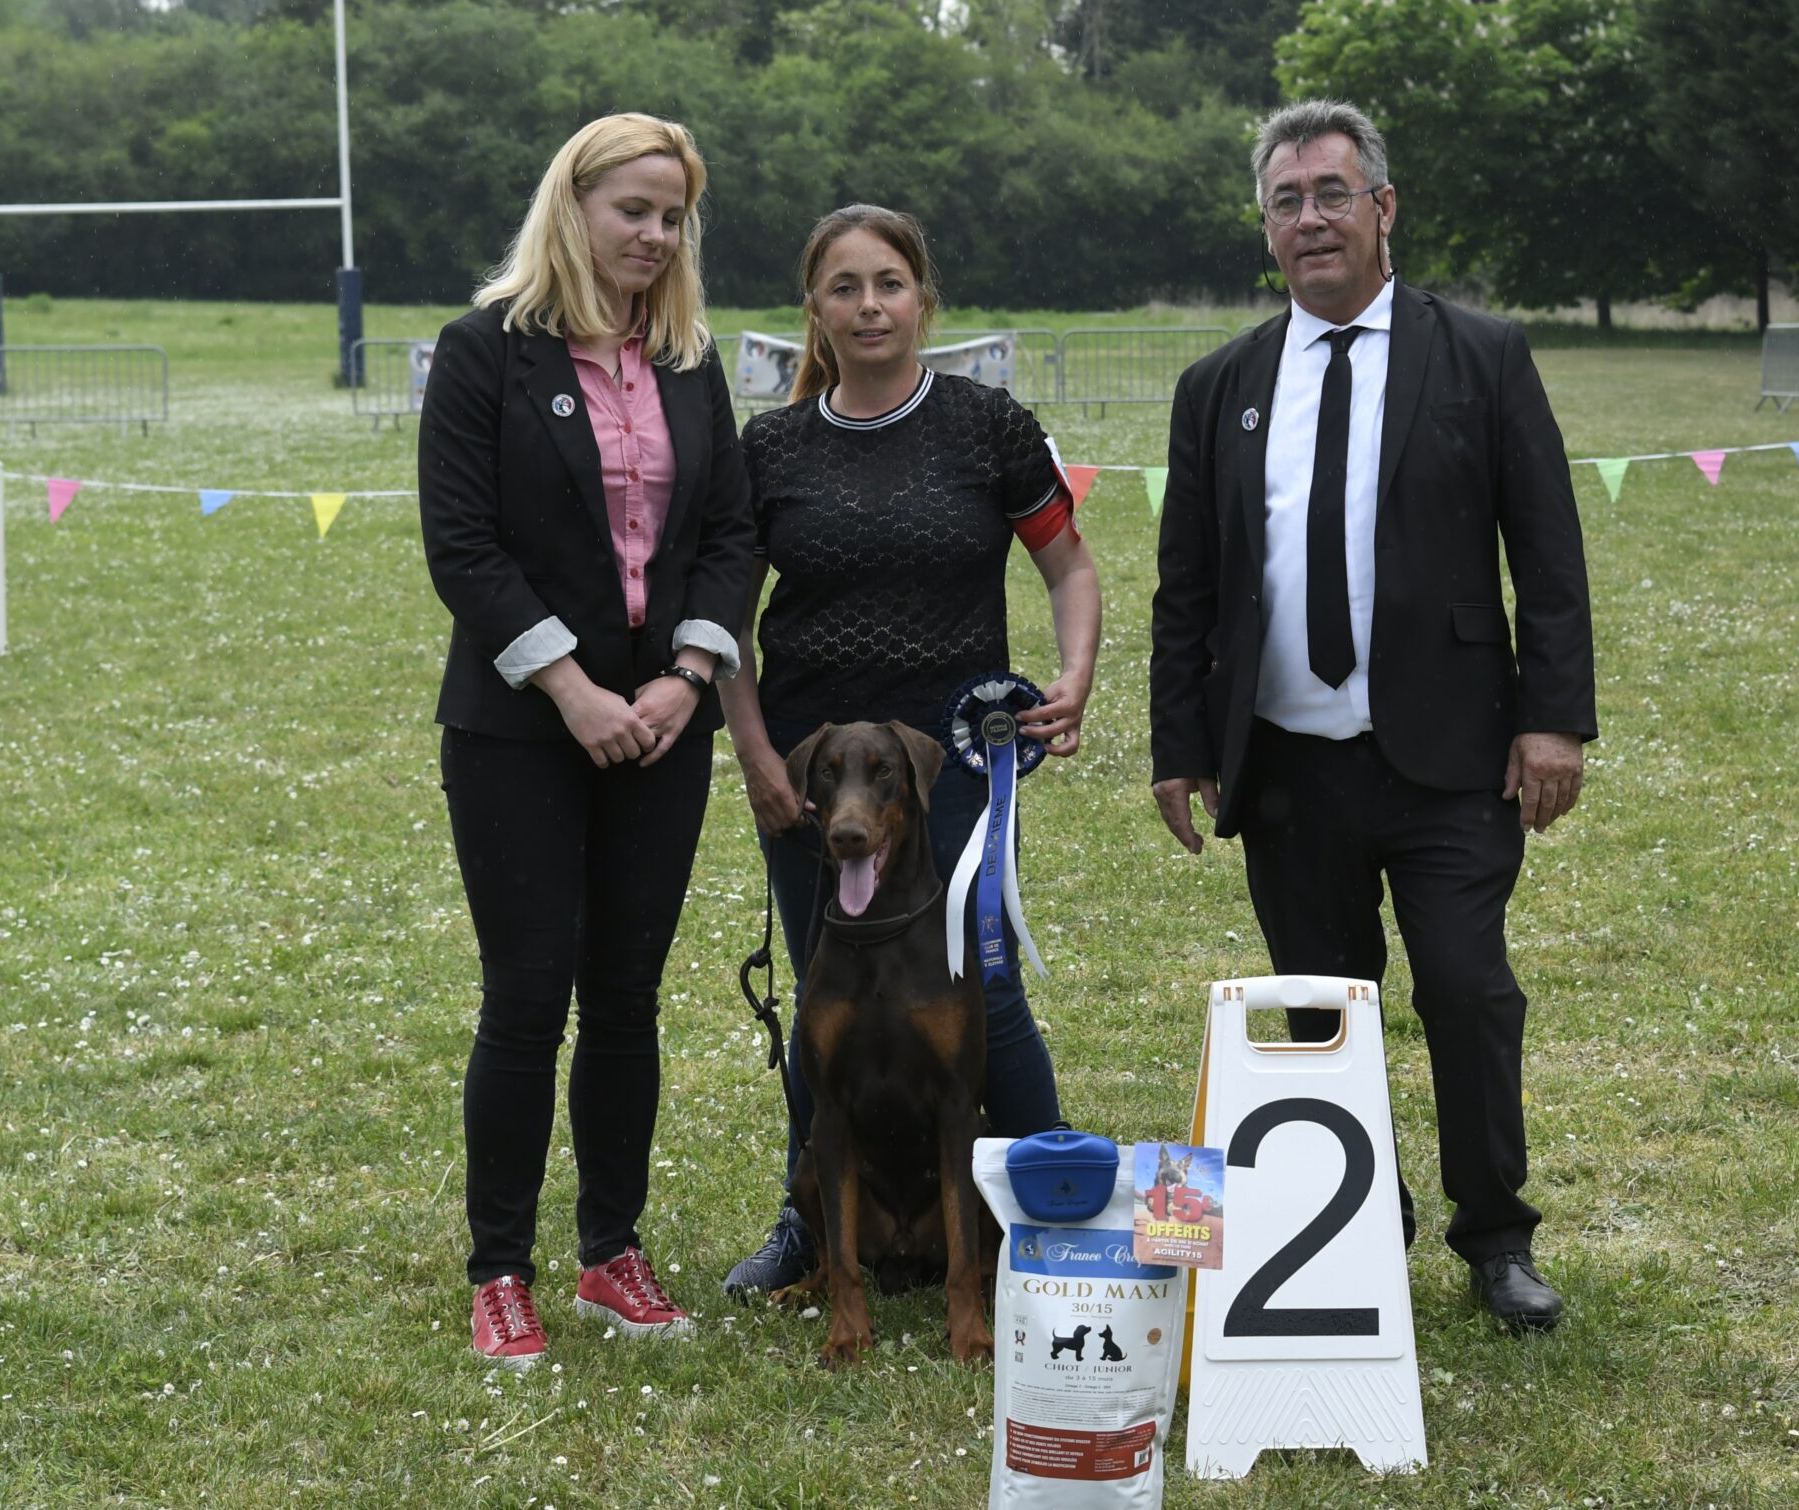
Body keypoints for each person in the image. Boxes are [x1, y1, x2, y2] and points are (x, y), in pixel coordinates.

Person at [1148, 100, 1596, 1334]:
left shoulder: (1483, 356)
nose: (1311, 220)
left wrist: (1554, 720)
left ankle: (1496, 1236)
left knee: (1466, 988)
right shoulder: (1219, 386)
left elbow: (1548, 553)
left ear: (1383, 208)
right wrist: (1179, 744)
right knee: (1319, 1014)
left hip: (1453, 755)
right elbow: (1187, 584)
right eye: (1286, 201)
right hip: (1288, 769)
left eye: (1332, 194)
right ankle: (1355, 1230)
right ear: (1266, 227)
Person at [418, 113, 754, 1367]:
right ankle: (499, 1271)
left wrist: (686, 678)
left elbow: (730, 533)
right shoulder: (482, 353)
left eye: (673, 217)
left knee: (624, 995)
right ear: (573, 207)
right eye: (634, 211)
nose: (655, 235)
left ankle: (612, 1250)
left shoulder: (689, 360)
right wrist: (570, 690)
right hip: (519, 727)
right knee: (527, 996)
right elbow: (463, 546)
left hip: (663, 725)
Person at [719, 204, 1104, 1297]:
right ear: (814, 307)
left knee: (985, 989)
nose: (869, 306)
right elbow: (723, 621)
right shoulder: (771, 448)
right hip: (813, 780)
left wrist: (1074, 676)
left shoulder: (987, 426)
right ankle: (809, 1227)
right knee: (823, 999)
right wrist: (755, 756)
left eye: (888, 283)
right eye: (844, 287)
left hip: (954, 770)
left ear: (923, 298)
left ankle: (1057, 1214)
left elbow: (1069, 568)